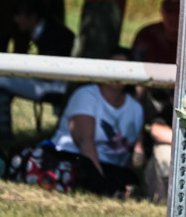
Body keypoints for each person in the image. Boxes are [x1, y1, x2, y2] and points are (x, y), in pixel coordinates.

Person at [49, 48, 143, 198]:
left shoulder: (136, 108)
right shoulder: (86, 95)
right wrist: (101, 183)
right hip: (76, 160)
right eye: (112, 67)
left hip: (112, 169)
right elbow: (85, 142)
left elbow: (131, 152)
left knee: (129, 178)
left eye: (124, 68)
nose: (117, 72)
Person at [0, 0, 75, 140]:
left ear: (33, 17)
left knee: (0, 82)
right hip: (57, 82)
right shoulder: (49, 30)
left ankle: (3, 136)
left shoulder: (51, 34)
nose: (16, 20)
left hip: (60, 85)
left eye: (20, 15)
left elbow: (49, 75)